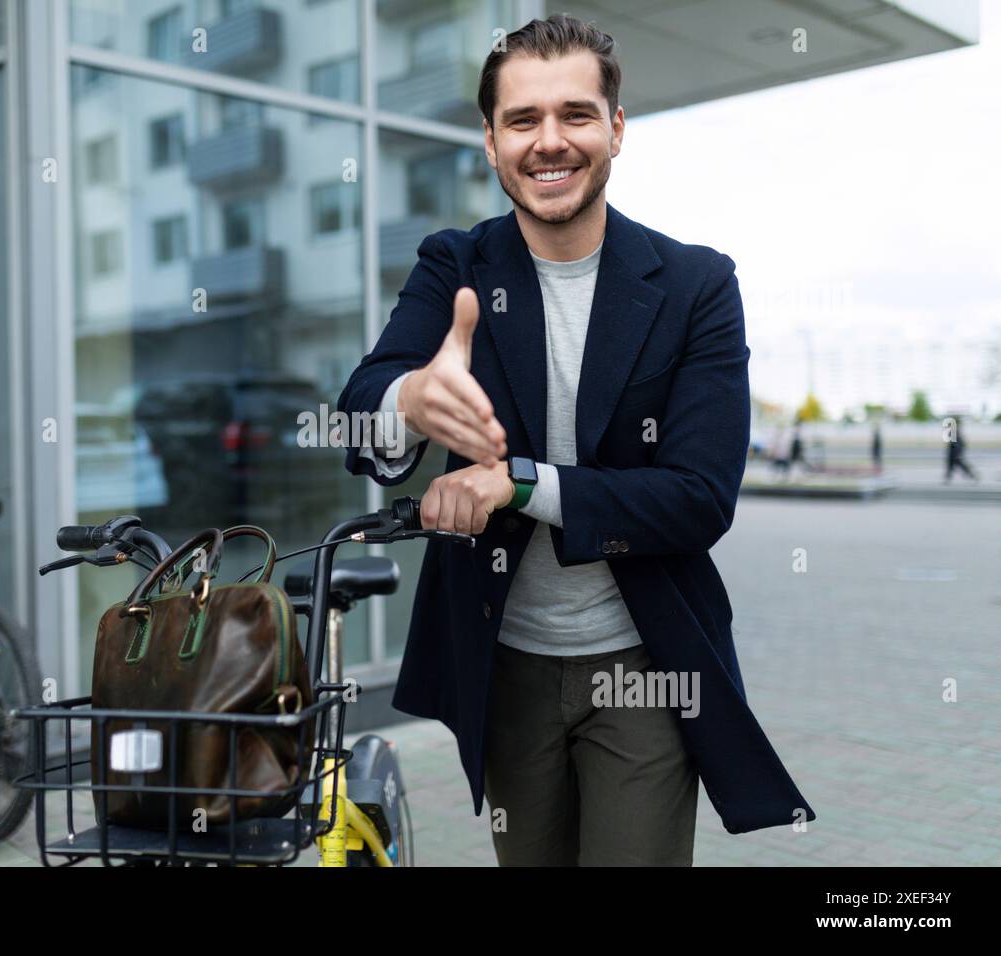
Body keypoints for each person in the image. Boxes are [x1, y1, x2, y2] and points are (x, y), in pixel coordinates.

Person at [337, 15, 812, 866]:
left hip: (642, 660)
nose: (549, 142)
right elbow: (363, 404)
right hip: (502, 662)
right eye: (522, 121)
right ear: (489, 141)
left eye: (576, 115)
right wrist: (411, 398)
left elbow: (698, 499)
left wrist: (516, 483)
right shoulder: (456, 266)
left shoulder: (697, 285)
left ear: (617, 128)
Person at [944, 416, 980, 482]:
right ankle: (947, 478)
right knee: (950, 466)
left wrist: (957, 453)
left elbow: (958, 443)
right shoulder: (953, 431)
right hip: (953, 452)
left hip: (954, 453)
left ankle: (973, 476)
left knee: (961, 466)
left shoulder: (954, 432)